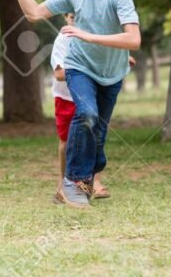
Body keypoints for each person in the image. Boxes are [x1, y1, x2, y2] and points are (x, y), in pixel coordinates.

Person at [2, 0, 141, 208]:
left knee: (98, 134)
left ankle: (88, 174)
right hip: (80, 67)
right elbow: (33, 13)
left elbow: (134, 39)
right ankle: (73, 182)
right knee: (87, 114)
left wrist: (88, 36)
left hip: (112, 75)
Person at [50, 13, 109, 202]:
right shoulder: (63, 40)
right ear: (65, 17)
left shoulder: (92, 36)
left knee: (93, 137)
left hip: (90, 95)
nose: (76, 21)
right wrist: (85, 71)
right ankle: (64, 181)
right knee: (67, 141)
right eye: (72, 16)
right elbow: (59, 74)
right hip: (66, 97)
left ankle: (94, 182)